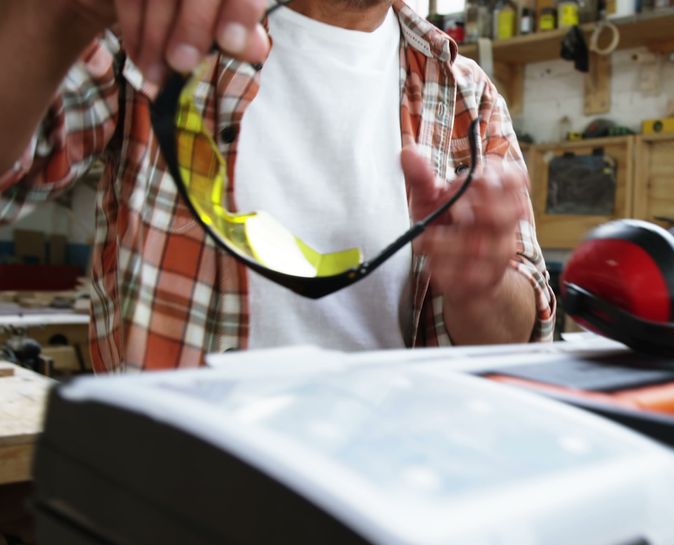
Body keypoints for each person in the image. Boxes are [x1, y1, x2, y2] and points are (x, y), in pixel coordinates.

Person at [0, 0, 555, 372]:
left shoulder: (465, 93)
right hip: (175, 493)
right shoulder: (163, 24)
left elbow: (517, 341)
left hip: (384, 493)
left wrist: (481, 285)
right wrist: (55, 15)